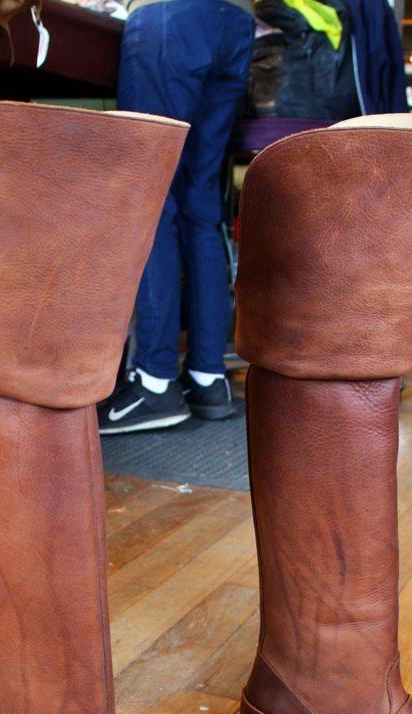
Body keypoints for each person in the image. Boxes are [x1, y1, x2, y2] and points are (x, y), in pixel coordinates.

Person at [98, 0, 255, 434]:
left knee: (150, 199)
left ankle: (155, 382)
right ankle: (208, 378)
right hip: (235, 22)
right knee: (199, 200)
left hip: (171, 17)